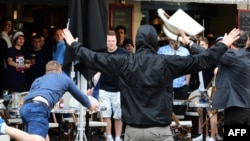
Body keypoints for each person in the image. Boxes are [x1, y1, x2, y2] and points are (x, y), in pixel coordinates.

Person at [62, 25, 240, 141]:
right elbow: (201, 61)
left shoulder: (125, 62)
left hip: (132, 131)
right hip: (160, 131)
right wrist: (223, 44)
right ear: (155, 41)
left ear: (138, 42)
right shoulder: (166, 62)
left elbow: (95, 58)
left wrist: (73, 45)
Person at [0, 60, 98, 141]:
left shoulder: (38, 80)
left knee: (45, 137)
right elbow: (82, 99)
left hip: (25, 109)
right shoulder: (64, 79)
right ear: (60, 71)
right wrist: (91, 104)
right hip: (38, 109)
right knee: (37, 139)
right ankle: (3, 127)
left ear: (46, 72)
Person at [212, 30, 250, 129]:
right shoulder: (246, 56)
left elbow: (210, 53)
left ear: (231, 42)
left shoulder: (233, 56)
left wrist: (224, 43)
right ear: (247, 42)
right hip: (246, 107)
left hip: (236, 109)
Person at [98, 30, 128, 141]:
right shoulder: (102, 54)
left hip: (119, 89)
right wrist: (93, 85)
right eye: (109, 41)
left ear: (117, 41)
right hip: (104, 89)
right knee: (106, 114)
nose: (111, 43)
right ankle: (109, 137)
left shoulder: (124, 53)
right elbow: (97, 71)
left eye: (113, 40)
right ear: (105, 42)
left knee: (118, 115)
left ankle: (118, 137)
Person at [192, 37, 218, 141]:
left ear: (207, 46)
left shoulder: (210, 57)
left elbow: (218, 66)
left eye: (202, 45)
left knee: (210, 112)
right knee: (200, 111)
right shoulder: (198, 57)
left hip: (210, 89)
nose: (200, 47)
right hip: (202, 89)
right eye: (199, 45)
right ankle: (204, 135)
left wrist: (217, 69)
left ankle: (212, 137)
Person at [158, 39, 191, 116]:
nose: (175, 42)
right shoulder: (162, 50)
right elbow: (158, 67)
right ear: (170, 39)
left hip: (181, 85)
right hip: (166, 85)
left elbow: (189, 68)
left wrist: (187, 83)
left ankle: (178, 127)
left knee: (180, 108)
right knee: (166, 108)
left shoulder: (185, 51)